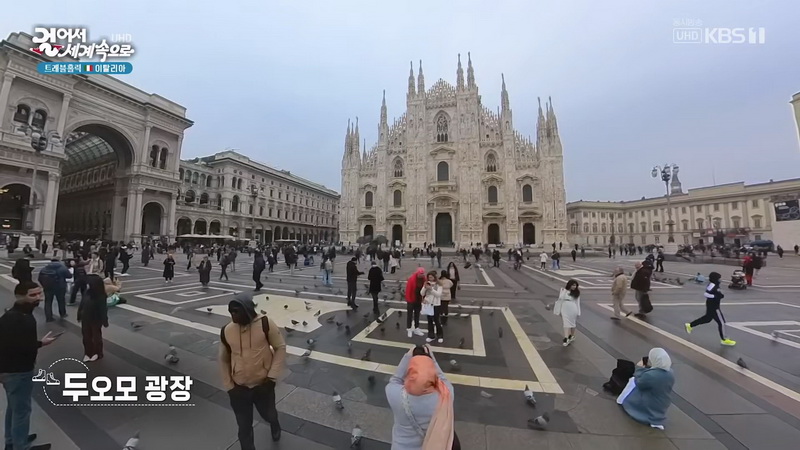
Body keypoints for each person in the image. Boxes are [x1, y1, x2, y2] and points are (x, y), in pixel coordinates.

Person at [220, 293, 286, 447]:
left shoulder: (265, 323)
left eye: (236, 311)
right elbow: (223, 359)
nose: (233, 315)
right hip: (239, 389)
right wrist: (229, 386)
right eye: (231, 312)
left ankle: (274, 423)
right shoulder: (227, 330)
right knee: (244, 428)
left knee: (269, 414)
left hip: (263, 385)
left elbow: (280, 347)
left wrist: (271, 378)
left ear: (247, 310)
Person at [0, 281, 58, 450]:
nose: (38, 298)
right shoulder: (21, 319)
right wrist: (40, 343)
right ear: (19, 296)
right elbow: (19, 347)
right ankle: (20, 446)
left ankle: (12, 441)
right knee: (22, 411)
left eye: (39, 293)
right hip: (18, 371)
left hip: (9, 370)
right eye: (32, 295)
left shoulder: (12, 315)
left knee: (13, 408)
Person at [385, 345, 457, 450]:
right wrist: (431, 359)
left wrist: (407, 357)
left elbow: (395, 379)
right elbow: (442, 379)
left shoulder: (394, 394)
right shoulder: (445, 395)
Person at [618, 348, 675, 430]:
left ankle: (622, 401)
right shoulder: (670, 372)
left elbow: (639, 383)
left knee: (632, 383)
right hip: (663, 402)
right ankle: (656, 420)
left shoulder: (650, 375)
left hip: (650, 402)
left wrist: (640, 368)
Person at [685, 272, 736, 346]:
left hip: (711, 305)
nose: (720, 280)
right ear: (715, 279)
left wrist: (719, 295)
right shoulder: (712, 285)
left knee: (707, 319)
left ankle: (690, 325)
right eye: (719, 278)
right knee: (721, 322)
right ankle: (724, 339)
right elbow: (706, 294)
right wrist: (715, 297)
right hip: (714, 306)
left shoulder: (715, 285)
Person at [77, 274, 109, 362]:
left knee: (96, 337)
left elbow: (103, 309)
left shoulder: (101, 296)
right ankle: (88, 353)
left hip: (95, 319)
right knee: (86, 337)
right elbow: (82, 304)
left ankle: (97, 353)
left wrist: (104, 321)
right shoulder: (87, 292)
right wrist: (79, 314)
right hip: (85, 318)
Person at [37, 257, 73, 322]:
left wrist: (44, 285)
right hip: (60, 287)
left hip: (48, 287)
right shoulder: (62, 268)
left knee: (48, 302)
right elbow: (69, 276)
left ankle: (49, 317)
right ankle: (62, 313)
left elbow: (39, 278)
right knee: (61, 301)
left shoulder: (45, 268)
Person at [553, 279, 581, 346]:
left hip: (573, 308)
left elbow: (577, 303)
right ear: (569, 285)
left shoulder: (576, 293)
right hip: (564, 308)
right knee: (566, 323)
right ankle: (566, 337)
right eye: (573, 285)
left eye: (575, 285)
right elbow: (560, 299)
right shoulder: (564, 291)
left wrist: (578, 312)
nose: (574, 287)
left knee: (572, 323)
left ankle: (571, 336)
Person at [420, 271, 443, 343]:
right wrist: (424, 287)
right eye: (429, 277)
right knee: (429, 321)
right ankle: (431, 336)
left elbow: (438, 295)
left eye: (431, 277)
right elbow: (422, 293)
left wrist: (431, 289)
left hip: (436, 304)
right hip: (428, 304)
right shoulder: (426, 283)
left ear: (434, 277)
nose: (430, 278)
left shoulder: (438, 284)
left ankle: (440, 335)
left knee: (437, 321)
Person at [405, 268, 427, 338]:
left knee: (417, 314)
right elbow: (408, 290)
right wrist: (408, 299)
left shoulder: (424, 279)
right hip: (411, 299)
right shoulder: (412, 279)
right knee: (410, 315)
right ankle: (409, 328)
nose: (422, 275)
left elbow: (425, 289)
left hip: (418, 299)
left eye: (423, 274)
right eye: (420, 274)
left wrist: (424, 298)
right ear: (417, 273)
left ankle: (416, 328)